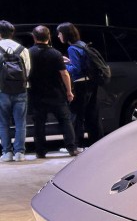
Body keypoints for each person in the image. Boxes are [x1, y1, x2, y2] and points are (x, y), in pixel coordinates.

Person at [27, 25, 78, 159]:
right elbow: (64, 74)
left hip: (36, 94)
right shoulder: (55, 53)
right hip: (56, 94)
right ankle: (72, 148)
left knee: (39, 123)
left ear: (34, 37)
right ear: (49, 37)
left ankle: (40, 151)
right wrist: (69, 91)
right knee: (65, 120)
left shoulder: (28, 53)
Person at [58, 22, 102, 146]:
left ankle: (76, 144)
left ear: (65, 34)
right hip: (91, 82)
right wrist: (70, 62)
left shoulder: (71, 48)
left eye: (60, 34)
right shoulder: (82, 44)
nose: (58, 36)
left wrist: (64, 65)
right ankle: (96, 142)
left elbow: (76, 69)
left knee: (77, 115)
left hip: (81, 84)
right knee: (92, 114)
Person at [0, 20, 31, 162]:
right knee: (20, 123)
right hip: (21, 89)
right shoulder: (23, 49)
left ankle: (7, 153)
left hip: (2, 90)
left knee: (3, 123)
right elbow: (28, 70)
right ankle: (20, 153)